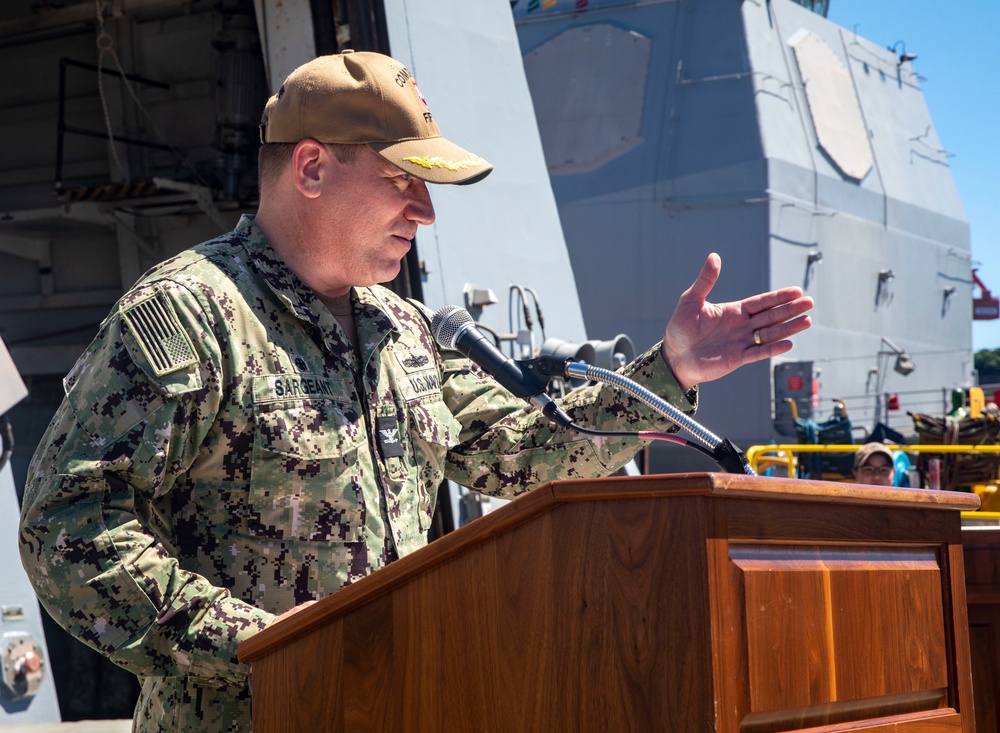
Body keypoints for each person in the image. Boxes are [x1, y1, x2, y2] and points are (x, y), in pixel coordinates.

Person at [18, 51, 813, 732]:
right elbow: (65, 528)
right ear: (312, 166)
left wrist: (670, 369)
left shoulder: (401, 330)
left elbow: (526, 451)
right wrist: (264, 646)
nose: (426, 212)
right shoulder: (192, 314)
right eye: (404, 179)